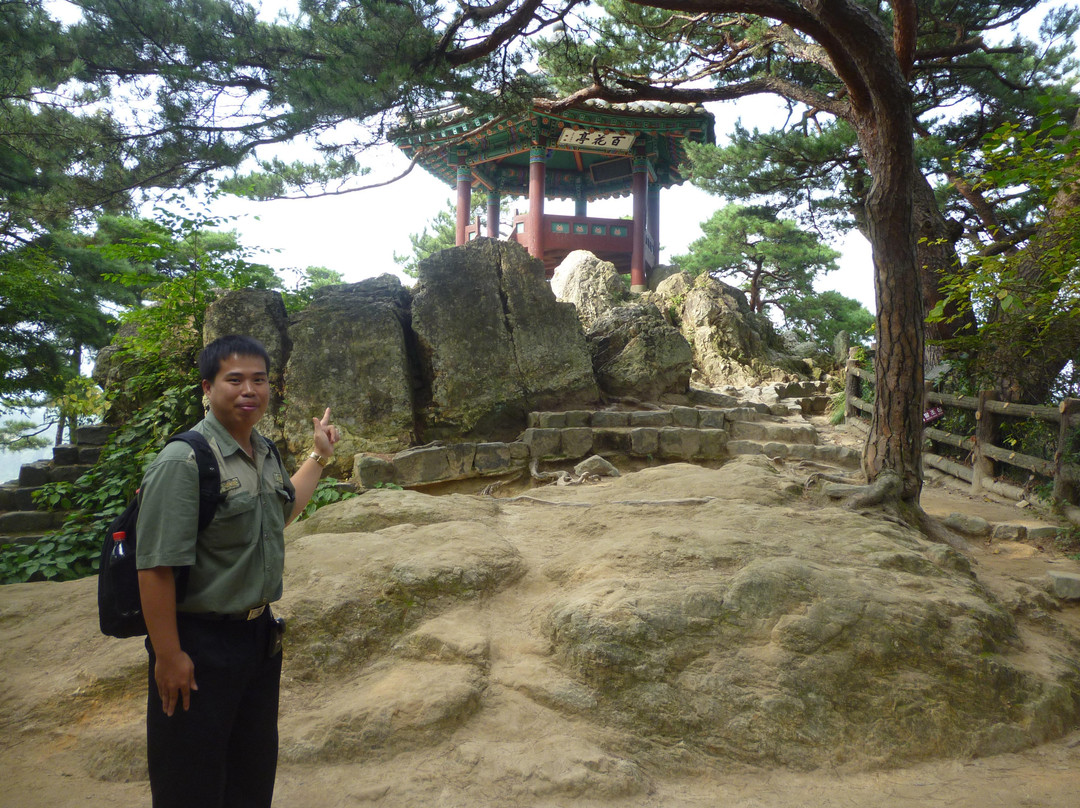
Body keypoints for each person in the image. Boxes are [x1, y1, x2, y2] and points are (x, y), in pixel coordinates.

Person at [135, 334, 339, 808]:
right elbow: (155, 567)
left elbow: (277, 516)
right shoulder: (184, 460)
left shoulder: (261, 450)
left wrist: (319, 457)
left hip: (257, 639)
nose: (249, 389)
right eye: (235, 379)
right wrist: (169, 655)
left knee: (251, 771)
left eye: (259, 379)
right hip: (200, 643)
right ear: (207, 387)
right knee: (192, 779)